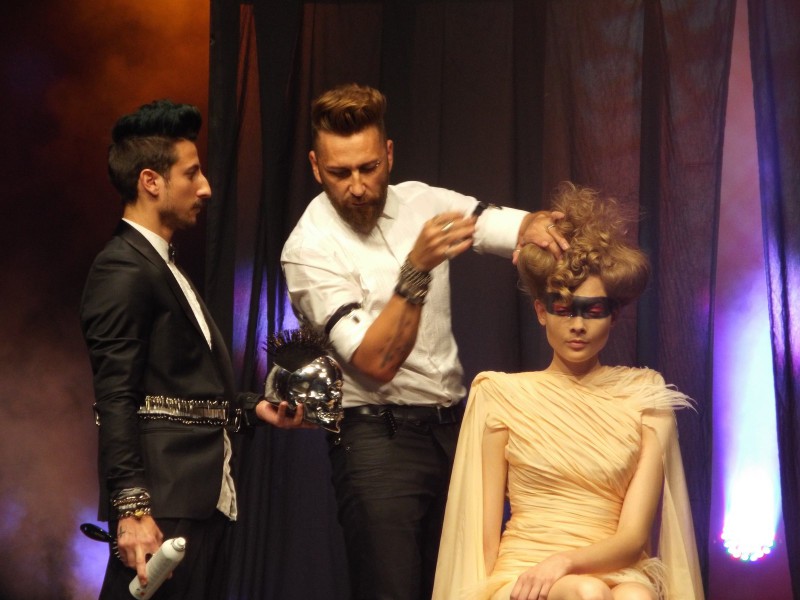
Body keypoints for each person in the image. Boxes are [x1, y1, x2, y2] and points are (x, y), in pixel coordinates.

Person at [280, 83, 568, 600]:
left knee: (465, 587)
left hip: (454, 431)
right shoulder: (308, 248)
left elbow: (504, 225)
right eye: (340, 173)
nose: (358, 187)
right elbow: (374, 362)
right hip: (377, 441)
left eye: (369, 168)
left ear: (388, 155)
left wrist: (537, 226)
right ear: (316, 167)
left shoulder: (423, 201)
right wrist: (415, 269)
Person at [432, 182, 704, 600]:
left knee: (635, 596)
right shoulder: (501, 395)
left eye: (593, 310)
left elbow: (634, 537)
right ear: (541, 312)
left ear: (613, 316)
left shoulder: (644, 396)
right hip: (522, 575)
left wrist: (564, 562)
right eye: (563, 308)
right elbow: (481, 535)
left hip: (611, 568)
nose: (577, 325)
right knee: (587, 593)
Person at [80, 99, 307, 600]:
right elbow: (115, 397)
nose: (205, 187)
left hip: (199, 498)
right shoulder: (122, 268)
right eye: (192, 173)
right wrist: (132, 509)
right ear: (150, 181)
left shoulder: (161, 264)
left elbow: (182, 384)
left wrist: (253, 408)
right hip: (161, 506)